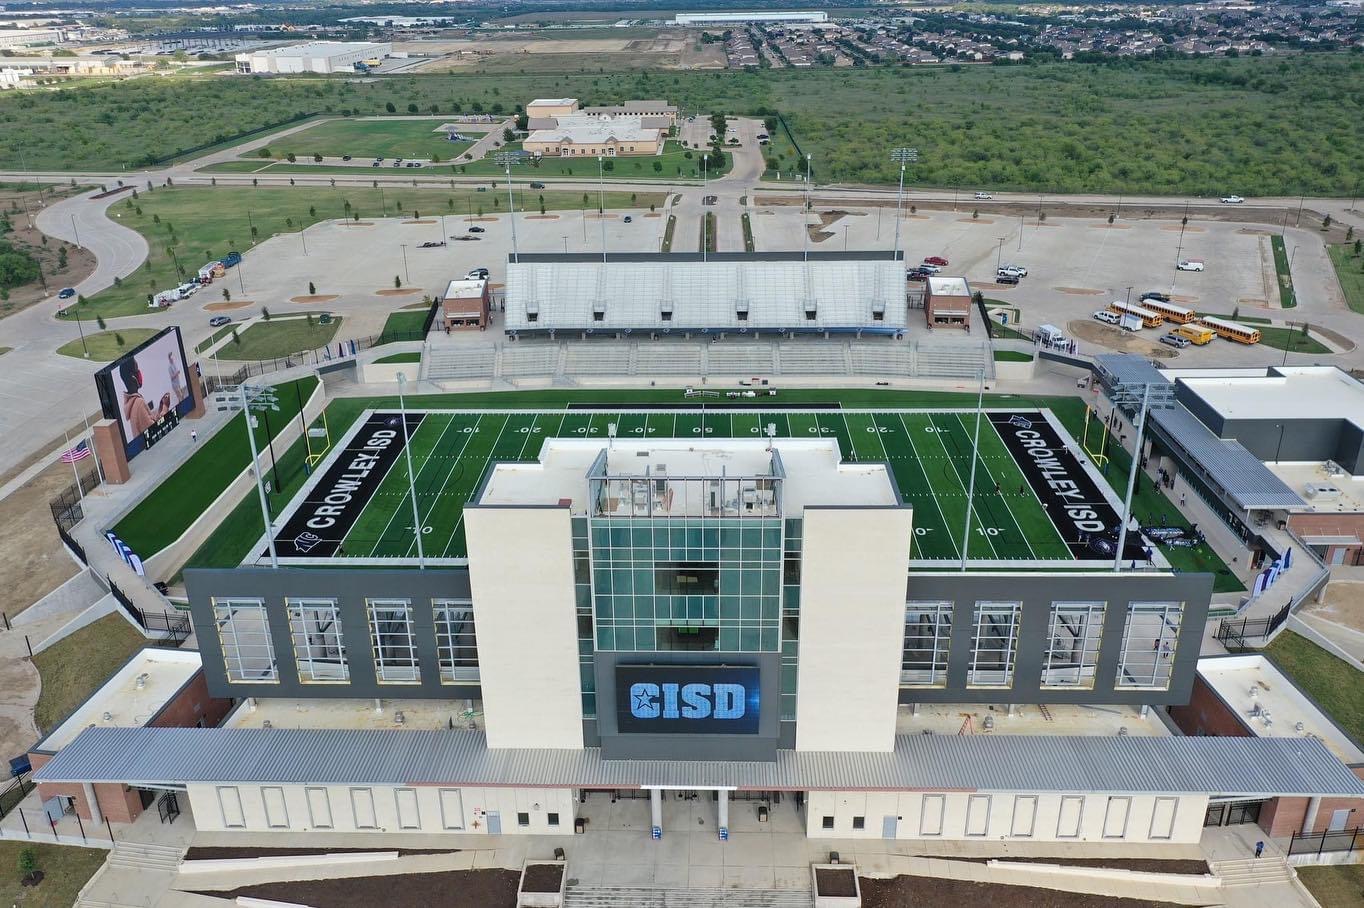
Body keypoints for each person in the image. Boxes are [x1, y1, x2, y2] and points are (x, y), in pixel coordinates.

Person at [118, 356, 172, 438]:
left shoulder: (134, 402)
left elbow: (149, 423)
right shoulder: (138, 403)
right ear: (133, 377)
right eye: (137, 369)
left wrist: (160, 408)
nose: (139, 373)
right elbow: (154, 430)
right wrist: (165, 407)